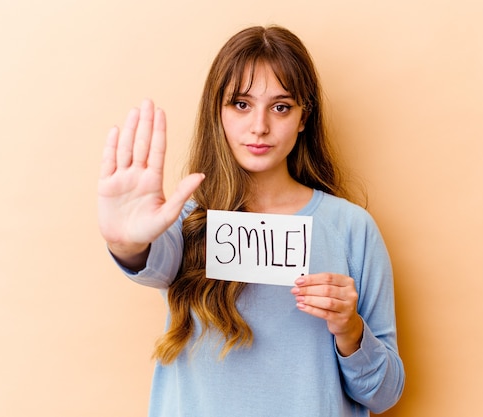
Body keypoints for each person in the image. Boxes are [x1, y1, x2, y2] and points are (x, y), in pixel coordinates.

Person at [98, 25, 404, 417]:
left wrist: (351, 330)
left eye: (280, 106)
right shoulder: (184, 221)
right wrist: (125, 242)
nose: (259, 126)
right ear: (218, 112)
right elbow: (149, 264)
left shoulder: (351, 229)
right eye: (241, 104)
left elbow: (384, 395)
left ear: (303, 117)